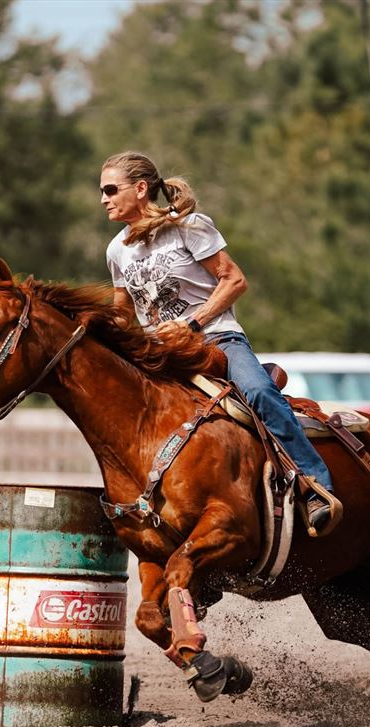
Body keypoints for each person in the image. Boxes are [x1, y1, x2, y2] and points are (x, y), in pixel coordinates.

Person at [101, 151, 342, 537]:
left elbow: (234, 280)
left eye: (111, 189)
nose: (104, 199)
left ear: (141, 188)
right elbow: (122, 314)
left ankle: (316, 486)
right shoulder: (116, 250)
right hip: (158, 357)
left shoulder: (188, 226)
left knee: (259, 392)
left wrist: (192, 323)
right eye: (103, 191)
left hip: (216, 339)